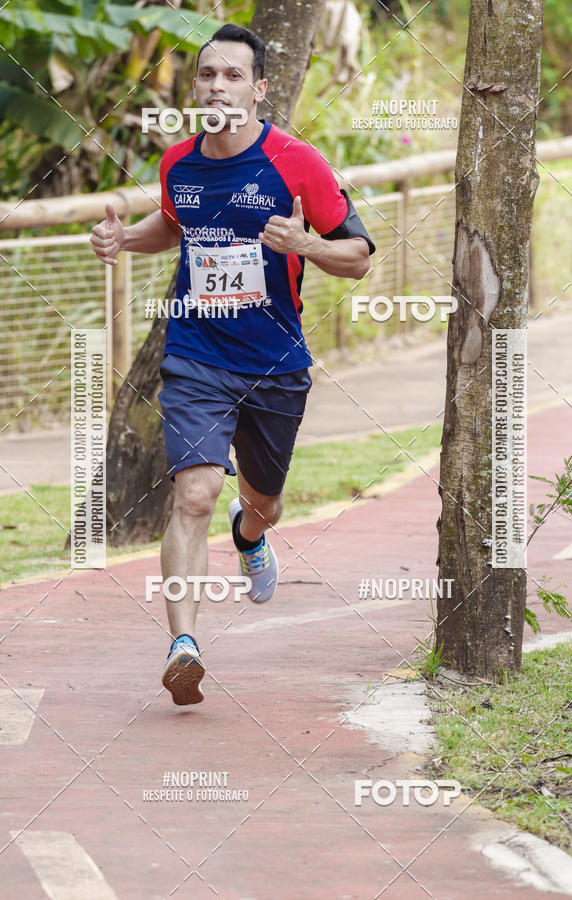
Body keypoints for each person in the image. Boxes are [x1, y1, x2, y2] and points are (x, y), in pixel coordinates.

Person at [90, 24, 376, 706]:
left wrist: (304, 242)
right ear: (198, 86)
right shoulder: (179, 164)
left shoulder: (297, 163)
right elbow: (171, 225)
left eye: (232, 76)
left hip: (276, 362)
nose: (218, 86)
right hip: (196, 353)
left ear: (259, 89)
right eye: (207, 75)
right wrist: (122, 238)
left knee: (263, 501)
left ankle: (250, 536)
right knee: (194, 494)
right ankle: (182, 644)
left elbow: (359, 256)